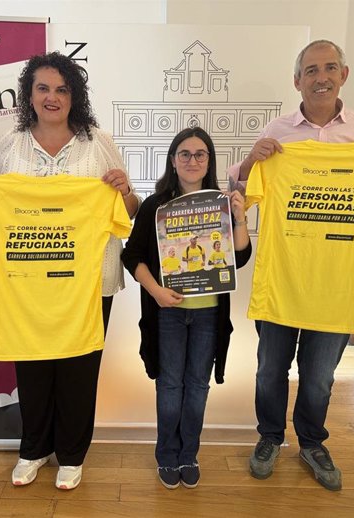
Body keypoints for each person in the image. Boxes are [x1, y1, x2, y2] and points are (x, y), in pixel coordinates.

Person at [227, 40, 354, 491]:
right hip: (283, 279)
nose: (321, 76)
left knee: (318, 378)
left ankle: (312, 442)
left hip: (337, 284)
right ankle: (270, 438)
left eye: (330, 67)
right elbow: (237, 189)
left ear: (343, 75)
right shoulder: (278, 131)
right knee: (269, 369)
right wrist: (254, 160)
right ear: (297, 80)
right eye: (311, 69)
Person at [0, 52, 139, 491]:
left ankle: (73, 454)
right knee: (34, 370)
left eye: (62, 89)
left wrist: (124, 190)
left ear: (74, 95)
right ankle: (34, 449)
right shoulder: (11, 146)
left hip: (91, 281)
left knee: (80, 370)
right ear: (30, 95)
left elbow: (128, 212)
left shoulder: (98, 142)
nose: (52, 97)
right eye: (43, 88)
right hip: (27, 287)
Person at [122, 127, 252, 489]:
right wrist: (156, 292)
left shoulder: (221, 202)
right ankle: (166, 455)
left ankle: (188, 454)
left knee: (197, 385)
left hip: (210, 312)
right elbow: (131, 256)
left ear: (209, 161)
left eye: (200, 154)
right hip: (168, 312)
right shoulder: (154, 205)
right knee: (170, 385)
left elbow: (239, 257)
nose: (192, 161)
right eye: (185, 154)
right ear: (173, 160)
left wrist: (239, 217)